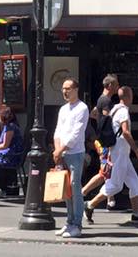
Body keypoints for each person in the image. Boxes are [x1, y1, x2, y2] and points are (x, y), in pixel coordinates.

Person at [85, 86, 138, 223]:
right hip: (119, 152)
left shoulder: (114, 109)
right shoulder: (123, 112)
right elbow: (126, 132)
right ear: (128, 96)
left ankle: (136, 214)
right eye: (132, 95)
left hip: (119, 151)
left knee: (134, 181)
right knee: (116, 185)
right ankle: (90, 205)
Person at [53, 77, 89, 238]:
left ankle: (77, 224)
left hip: (75, 153)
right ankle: (69, 222)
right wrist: (57, 150)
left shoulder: (82, 108)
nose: (65, 91)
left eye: (68, 88)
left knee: (75, 187)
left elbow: (76, 133)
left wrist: (60, 150)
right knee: (66, 189)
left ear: (76, 90)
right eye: (63, 88)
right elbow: (58, 130)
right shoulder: (63, 109)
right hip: (63, 153)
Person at [82, 75, 120, 207]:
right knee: (104, 172)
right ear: (109, 86)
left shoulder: (101, 100)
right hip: (105, 142)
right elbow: (107, 121)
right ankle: (83, 193)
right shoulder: (106, 102)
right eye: (116, 85)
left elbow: (93, 113)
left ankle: (110, 198)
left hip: (102, 141)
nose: (118, 87)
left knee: (108, 171)